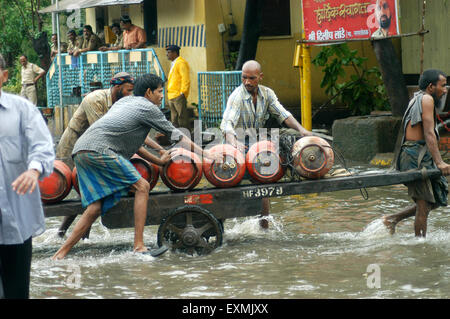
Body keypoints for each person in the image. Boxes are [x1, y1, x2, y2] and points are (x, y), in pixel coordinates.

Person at [51, 73, 219, 260]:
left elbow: (136, 142)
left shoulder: (124, 103)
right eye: (159, 91)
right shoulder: (149, 108)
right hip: (100, 151)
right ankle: (138, 246)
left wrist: (158, 160)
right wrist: (206, 154)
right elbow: (178, 136)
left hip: (81, 150)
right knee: (142, 186)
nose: (162, 96)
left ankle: (60, 254)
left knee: (95, 208)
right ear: (148, 92)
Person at [55, 72, 153, 239]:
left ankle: (78, 235)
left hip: (95, 148)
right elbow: (105, 135)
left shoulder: (122, 103)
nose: (131, 94)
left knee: (89, 191)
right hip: (75, 145)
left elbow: (132, 132)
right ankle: (65, 232)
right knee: (82, 189)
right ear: (117, 87)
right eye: (129, 90)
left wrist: (157, 149)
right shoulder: (95, 100)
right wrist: (153, 157)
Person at [220, 60, 313, 228]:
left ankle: (264, 227)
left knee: (263, 182)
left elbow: (283, 115)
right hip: (235, 141)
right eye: (244, 78)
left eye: (252, 78)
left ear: (260, 77)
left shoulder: (267, 94)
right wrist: (234, 145)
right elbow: (227, 125)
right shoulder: (237, 96)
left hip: (255, 143)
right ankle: (220, 226)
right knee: (230, 187)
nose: (247, 82)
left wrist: (302, 130)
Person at [0, 53, 55, 298]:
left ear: (3, 76)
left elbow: (42, 147)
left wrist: (34, 170)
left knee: (16, 290)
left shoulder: (22, 109)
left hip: (16, 214)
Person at [383, 69, 449, 237]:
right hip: (415, 156)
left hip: (418, 154)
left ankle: (393, 218)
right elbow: (429, 133)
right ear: (431, 87)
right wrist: (440, 162)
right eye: (442, 85)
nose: (446, 89)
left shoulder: (420, 97)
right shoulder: (426, 99)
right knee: (423, 205)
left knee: (436, 197)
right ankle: (420, 245)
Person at [166, 44, 191, 130]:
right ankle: (177, 139)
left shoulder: (181, 63)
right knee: (174, 119)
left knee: (182, 119)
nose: (167, 54)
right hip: (172, 95)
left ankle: (186, 138)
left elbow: (185, 79)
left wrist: (183, 92)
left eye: (169, 52)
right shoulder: (174, 63)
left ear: (175, 53)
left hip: (178, 95)